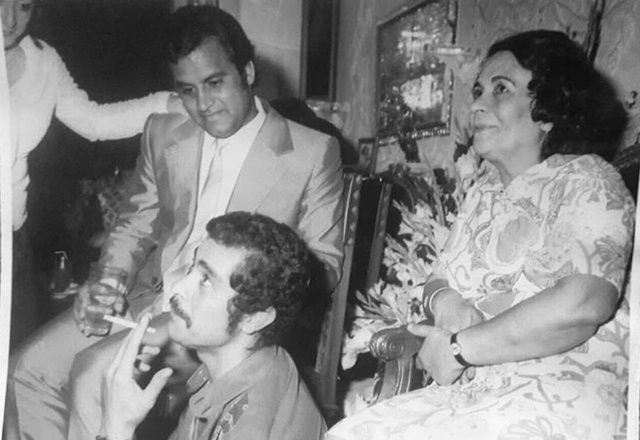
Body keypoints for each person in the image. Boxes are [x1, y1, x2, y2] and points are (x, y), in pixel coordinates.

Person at [6, 5, 343, 440]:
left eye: (215, 83)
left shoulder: (311, 153)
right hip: (147, 297)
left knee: (94, 377)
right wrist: (108, 281)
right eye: (187, 91)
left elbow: (322, 267)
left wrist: (228, 310)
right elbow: (135, 222)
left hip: (221, 324)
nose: (203, 105)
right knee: (27, 370)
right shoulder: (164, 133)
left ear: (247, 71)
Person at [328, 30, 634, 439]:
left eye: (501, 89)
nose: (477, 104)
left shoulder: (589, 179)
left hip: (559, 392)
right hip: (474, 395)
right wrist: (447, 302)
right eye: (478, 91)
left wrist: (459, 348)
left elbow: (583, 304)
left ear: (548, 110)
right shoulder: (485, 189)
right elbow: (438, 277)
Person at [2, 0, 180, 346]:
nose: (10, 20)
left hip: (13, 242)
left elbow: (94, 121)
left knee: (14, 356)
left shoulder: (42, 60)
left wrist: (167, 102)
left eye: (23, 6)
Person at [101, 212, 326, 440]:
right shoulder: (259, 366)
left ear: (254, 318)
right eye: (192, 268)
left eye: (206, 281)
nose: (177, 287)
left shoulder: (250, 424)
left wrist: (118, 427)